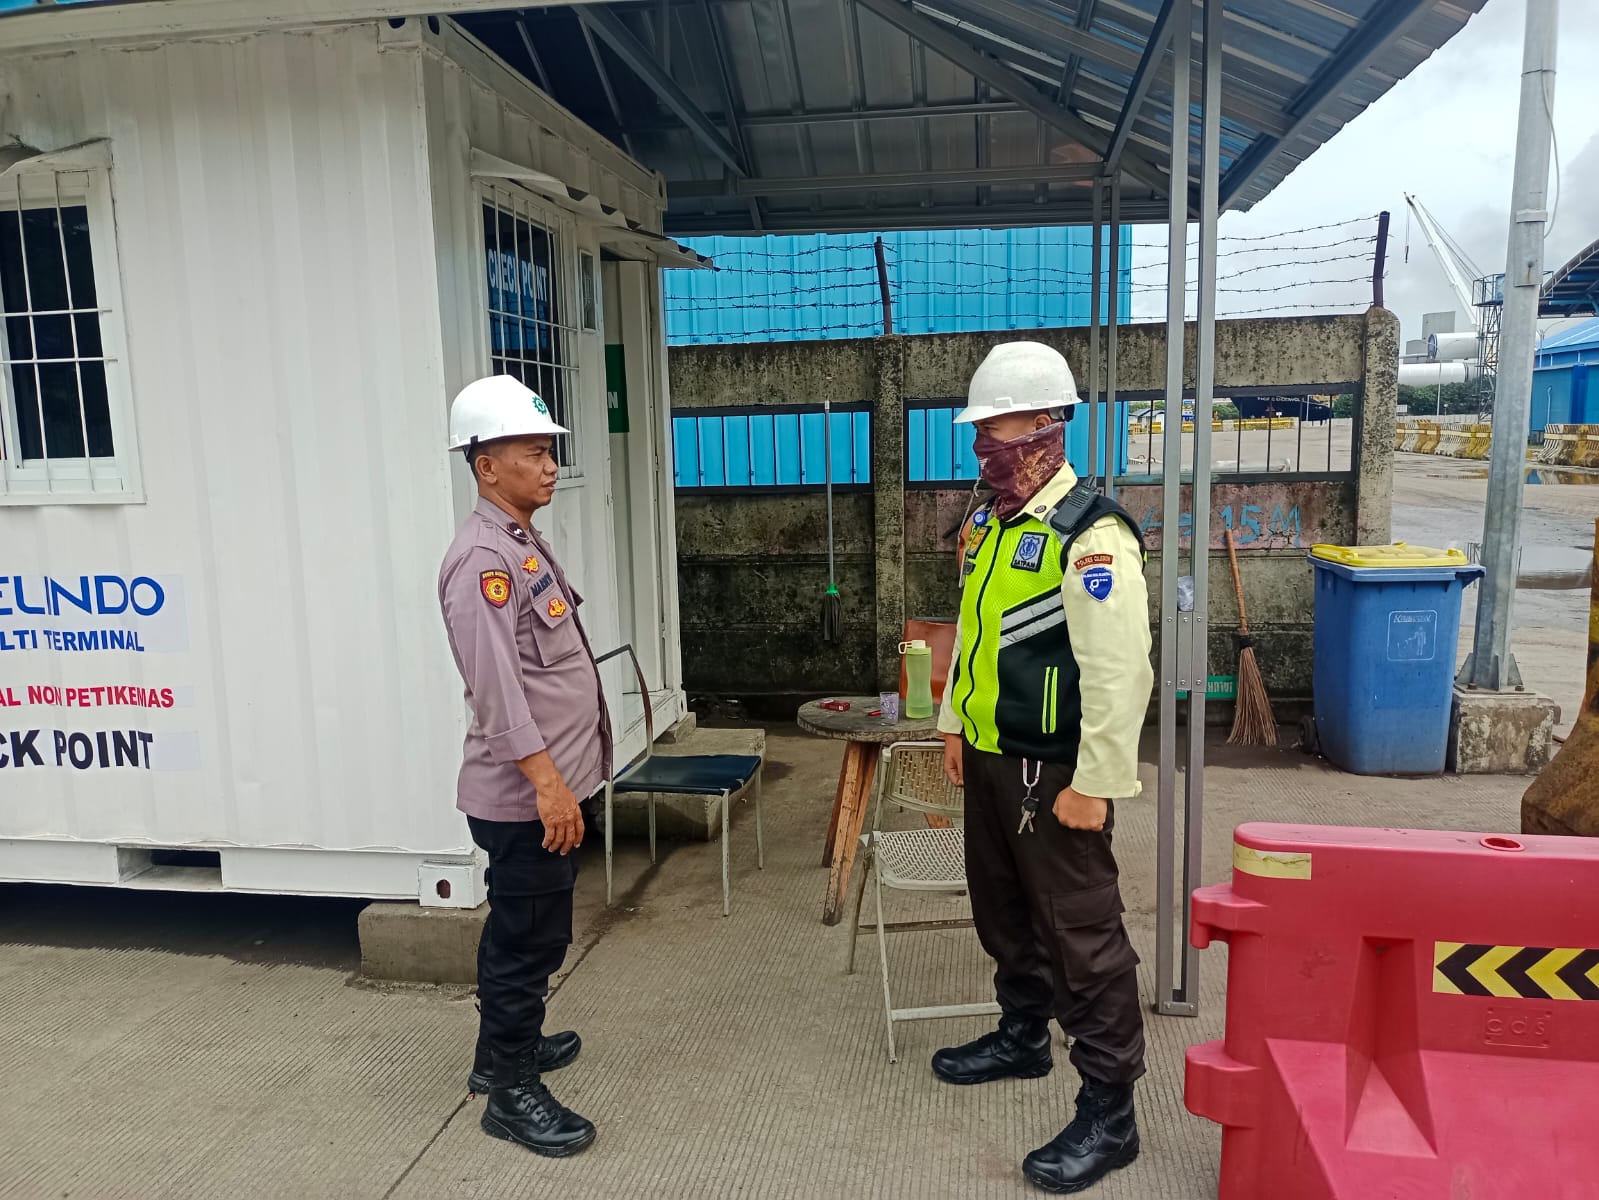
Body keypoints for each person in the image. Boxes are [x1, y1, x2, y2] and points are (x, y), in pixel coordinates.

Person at [933, 341, 1154, 1194]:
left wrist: (1095, 783)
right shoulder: (995, 522)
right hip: (993, 758)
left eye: (994, 428)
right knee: (1003, 914)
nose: (982, 444)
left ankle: (1110, 1111)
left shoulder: (1089, 534)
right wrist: (955, 725)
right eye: (979, 430)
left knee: (1082, 939)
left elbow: (1118, 671)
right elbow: (973, 633)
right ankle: (1022, 1035)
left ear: (1045, 426)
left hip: (1053, 773)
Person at [437, 374, 612, 1159]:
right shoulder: (481, 559)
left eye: (549, 452)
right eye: (534, 453)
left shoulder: (518, 539)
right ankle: (510, 1093)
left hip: (548, 789)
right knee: (527, 942)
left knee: (525, 931)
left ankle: (500, 1052)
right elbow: (497, 689)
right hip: (525, 798)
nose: (549, 466)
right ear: (486, 465)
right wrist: (549, 786)